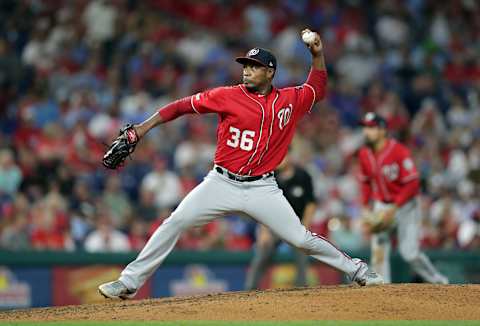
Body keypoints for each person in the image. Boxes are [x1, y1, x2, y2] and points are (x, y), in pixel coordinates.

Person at [98, 29, 383, 300]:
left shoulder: (289, 100)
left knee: (301, 239)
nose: (247, 69)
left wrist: (317, 54)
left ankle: (358, 271)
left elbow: (316, 88)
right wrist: (142, 128)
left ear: (270, 72)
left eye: (255, 66)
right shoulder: (227, 95)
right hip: (220, 182)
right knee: (175, 222)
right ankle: (129, 282)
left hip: (263, 187)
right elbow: (180, 106)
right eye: (246, 65)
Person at [357, 112, 448, 284]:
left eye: (371, 127)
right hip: (381, 205)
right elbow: (365, 182)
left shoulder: (398, 151)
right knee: (379, 252)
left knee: (409, 253)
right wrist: (364, 206)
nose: (366, 131)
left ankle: (439, 281)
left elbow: (413, 183)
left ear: (383, 130)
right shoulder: (364, 154)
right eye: (365, 127)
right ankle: (381, 289)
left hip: (405, 206)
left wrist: (395, 207)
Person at [245, 152, 316, 289]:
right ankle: (249, 290)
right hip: (274, 225)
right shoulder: (269, 176)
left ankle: (302, 289)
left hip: (296, 225)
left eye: (283, 155)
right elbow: (263, 207)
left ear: (290, 156)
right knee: (262, 252)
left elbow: (311, 203)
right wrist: (264, 231)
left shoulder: (303, 176)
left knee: (302, 250)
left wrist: (304, 227)